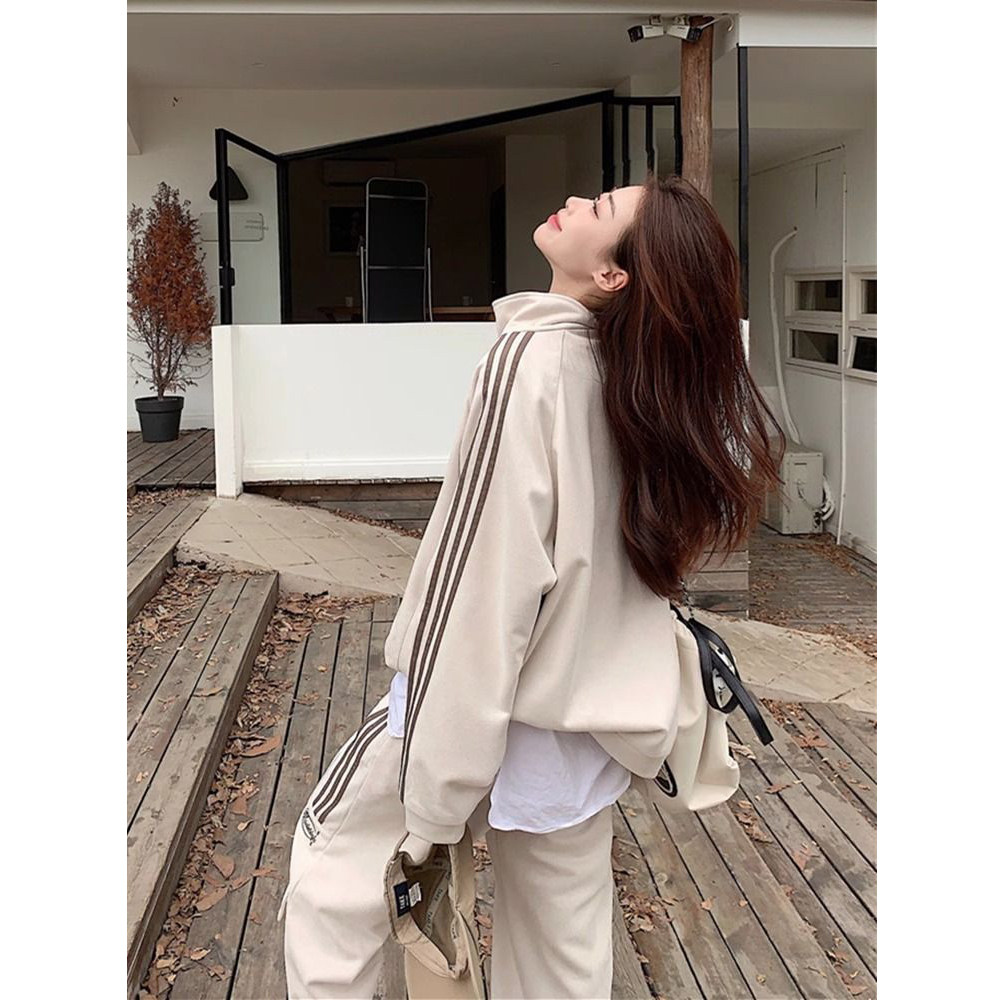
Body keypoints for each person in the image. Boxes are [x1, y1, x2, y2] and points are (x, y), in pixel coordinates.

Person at [280, 172, 785, 999]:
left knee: (333, 877)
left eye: (602, 208)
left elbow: (479, 588)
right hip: (582, 735)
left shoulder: (532, 361)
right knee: (561, 963)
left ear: (613, 274)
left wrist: (435, 802)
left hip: (471, 713)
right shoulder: (630, 380)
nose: (578, 202)